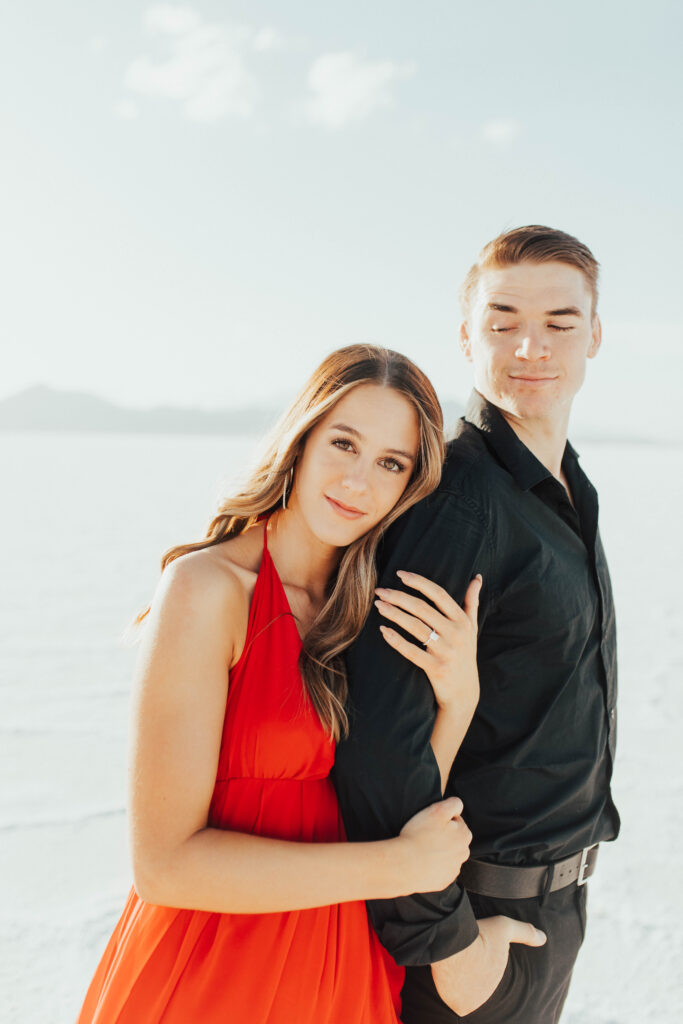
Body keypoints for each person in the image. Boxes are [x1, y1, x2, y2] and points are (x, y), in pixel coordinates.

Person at [76, 345, 480, 1024]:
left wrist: (457, 699)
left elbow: (394, 813)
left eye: (390, 463)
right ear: (301, 437)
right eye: (343, 444)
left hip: (341, 978)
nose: (357, 482)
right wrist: (396, 868)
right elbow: (164, 865)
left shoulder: (376, 608)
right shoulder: (209, 590)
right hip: (209, 976)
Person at [333, 226, 619, 1023]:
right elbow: (378, 741)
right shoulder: (459, 500)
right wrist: (444, 943)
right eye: (502, 321)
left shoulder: (564, 486)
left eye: (561, 322)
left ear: (594, 335)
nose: (531, 345)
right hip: (471, 922)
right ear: (467, 335)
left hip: (544, 914)